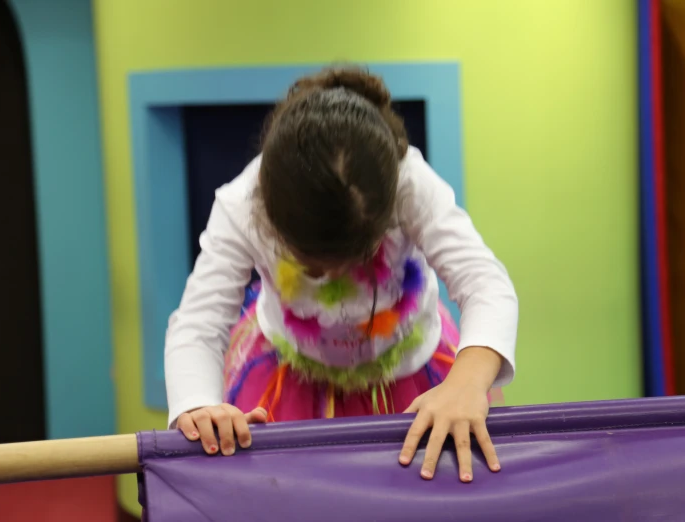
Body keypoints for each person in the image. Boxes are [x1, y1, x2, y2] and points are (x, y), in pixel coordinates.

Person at [165, 66, 518, 482]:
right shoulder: (242, 204)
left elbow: (484, 282)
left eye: (353, 260)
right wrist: (197, 405)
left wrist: (468, 383)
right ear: (274, 222)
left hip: (407, 365)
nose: (333, 280)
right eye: (313, 269)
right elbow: (198, 322)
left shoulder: (408, 182)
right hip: (290, 373)